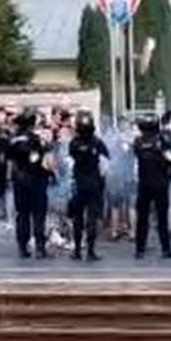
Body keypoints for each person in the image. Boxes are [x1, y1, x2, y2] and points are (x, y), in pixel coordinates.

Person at [8, 107, 53, 258]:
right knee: (39, 215)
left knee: (22, 214)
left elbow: (8, 158)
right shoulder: (38, 139)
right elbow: (47, 161)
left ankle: (22, 247)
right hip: (37, 179)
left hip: (19, 180)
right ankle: (40, 247)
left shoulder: (13, 139)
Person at [132, 113, 171, 259]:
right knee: (161, 218)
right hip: (160, 183)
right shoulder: (162, 141)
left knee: (142, 218)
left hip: (144, 183)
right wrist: (168, 178)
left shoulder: (138, 142)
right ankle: (166, 249)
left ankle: (140, 249)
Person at [68, 111, 109, 262]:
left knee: (77, 219)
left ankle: (78, 250)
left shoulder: (74, 143)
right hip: (94, 183)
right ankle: (90, 251)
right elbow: (105, 165)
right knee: (91, 218)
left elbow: (70, 162)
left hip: (79, 183)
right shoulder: (97, 143)